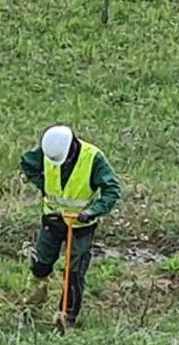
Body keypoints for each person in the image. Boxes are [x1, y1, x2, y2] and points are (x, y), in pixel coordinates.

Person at [20, 125, 123, 328]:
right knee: (40, 265)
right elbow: (27, 163)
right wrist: (43, 186)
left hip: (81, 225)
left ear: (73, 147)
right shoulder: (49, 150)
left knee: (74, 272)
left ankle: (66, 317)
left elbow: (112, 190)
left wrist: (93, 211)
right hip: (53, 218)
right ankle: (31, 309)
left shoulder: (93, 158)